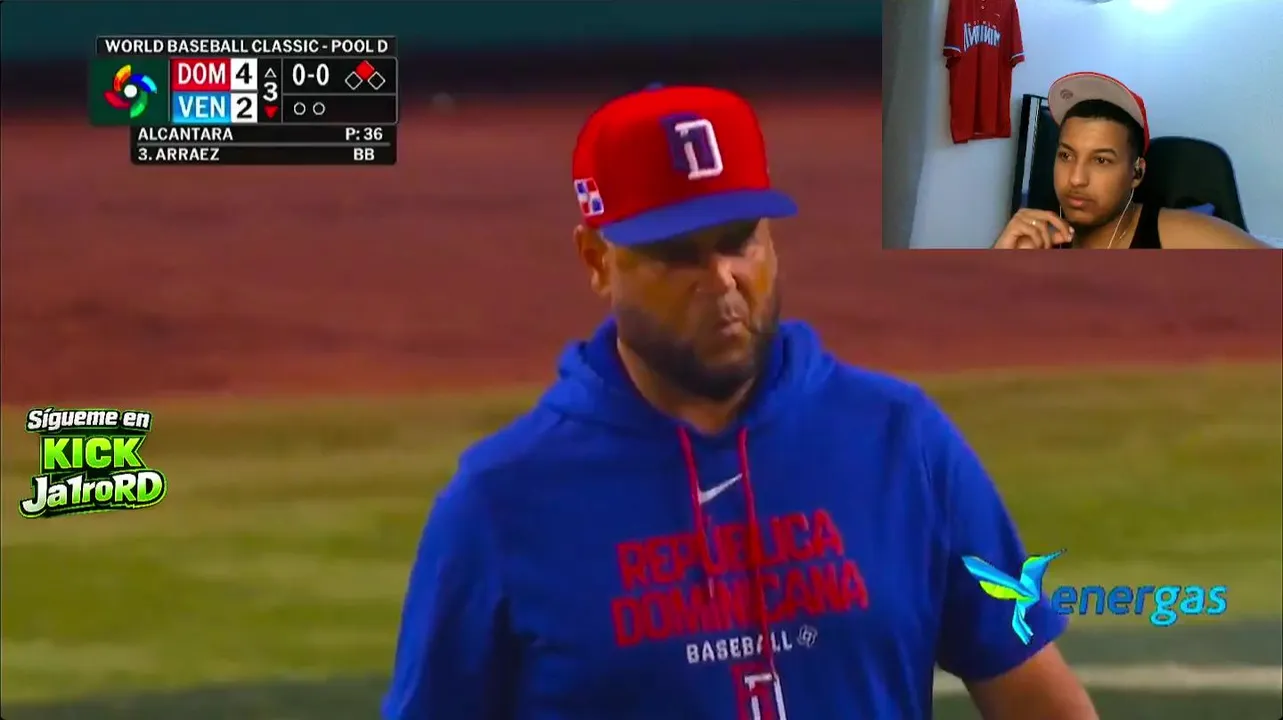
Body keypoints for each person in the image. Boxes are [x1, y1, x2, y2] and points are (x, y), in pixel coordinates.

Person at [383, 85, 1098, 719]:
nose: (721, 278)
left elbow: (1036, 698)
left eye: (739, 241)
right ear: (597, 261)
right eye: (677, 253)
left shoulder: (898, 442)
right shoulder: (503, 502)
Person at [995, 72, 1266, 249]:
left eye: (1101, 160)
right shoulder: (1038, 242)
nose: (1076, 179)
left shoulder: (1180, 236)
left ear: (1136, 173)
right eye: (1066, 155)